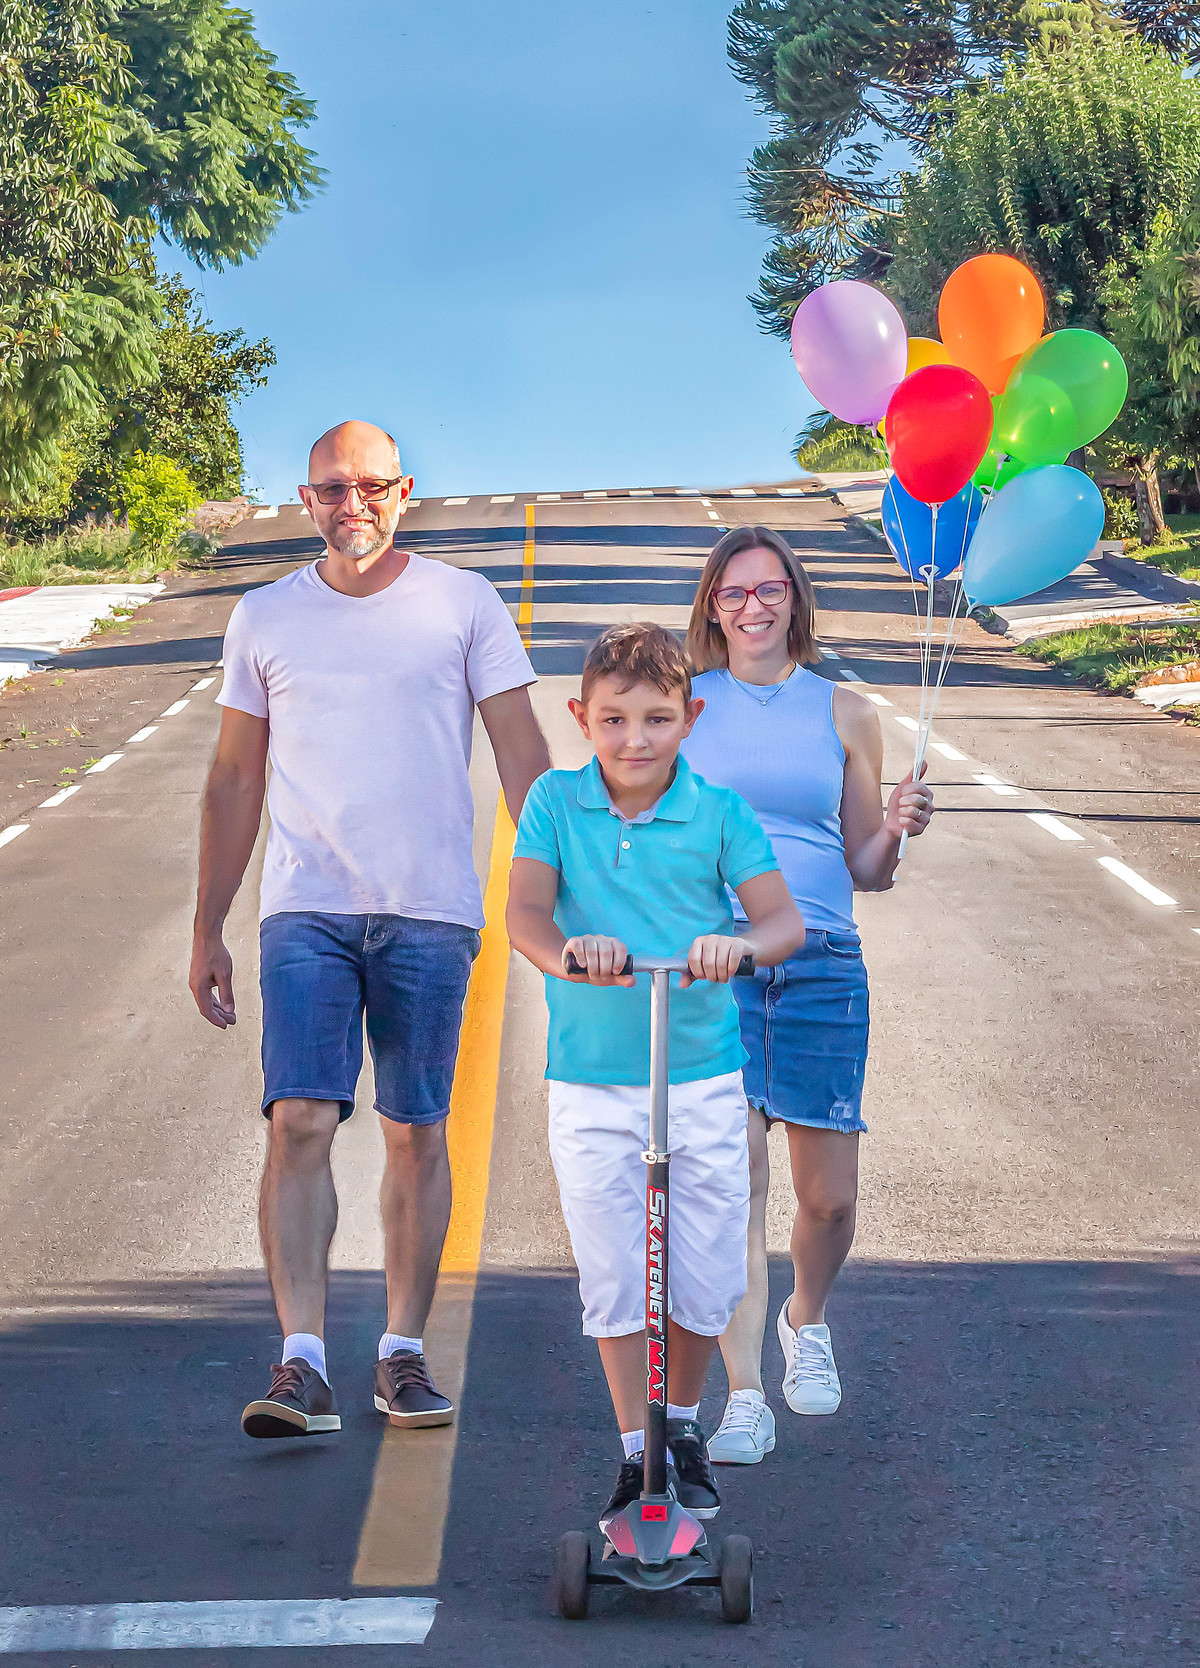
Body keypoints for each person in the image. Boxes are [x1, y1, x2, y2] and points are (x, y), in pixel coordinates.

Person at [189, 419, 551, 1439]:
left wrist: (576, 894)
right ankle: (301, 1360)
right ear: (306, 501)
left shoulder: (463, 606)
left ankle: (400, 1352)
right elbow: (232, 777)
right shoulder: (264, 618)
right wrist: (208, 925)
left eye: (370, 486)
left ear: (403, 495)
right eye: (331, 489)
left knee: (414, 1130)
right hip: (305, 908)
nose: (352, 505)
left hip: (431, 911)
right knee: (298, 1120)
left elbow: (524, 753)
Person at [505, 622, 805, 1526]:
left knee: (705, 1271)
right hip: (594, 1079)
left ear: (691, 718)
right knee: (615, 1271)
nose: (635, 739)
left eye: (658, 719)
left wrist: (737, 946)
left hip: (701, 1074)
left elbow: (782, 923)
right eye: (615, 719)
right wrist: (569, 953)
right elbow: (524, 913)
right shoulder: (556, 803)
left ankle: (679, 1426)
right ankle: (638, 1452)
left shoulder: (720, 813)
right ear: (582, 718)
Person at [680, 524, 934, 1465]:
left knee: (826, 1201)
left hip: (824, 956)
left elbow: (867, 868)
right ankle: (745, 1396)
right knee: (738, 1187)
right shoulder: (688, 706)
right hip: (724, 964)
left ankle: (806, 1318)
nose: (753, 606)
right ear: (713, 606)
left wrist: (897, 826)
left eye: (770, 589)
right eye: (735, 592)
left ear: (795, 598)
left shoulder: (845, 712)